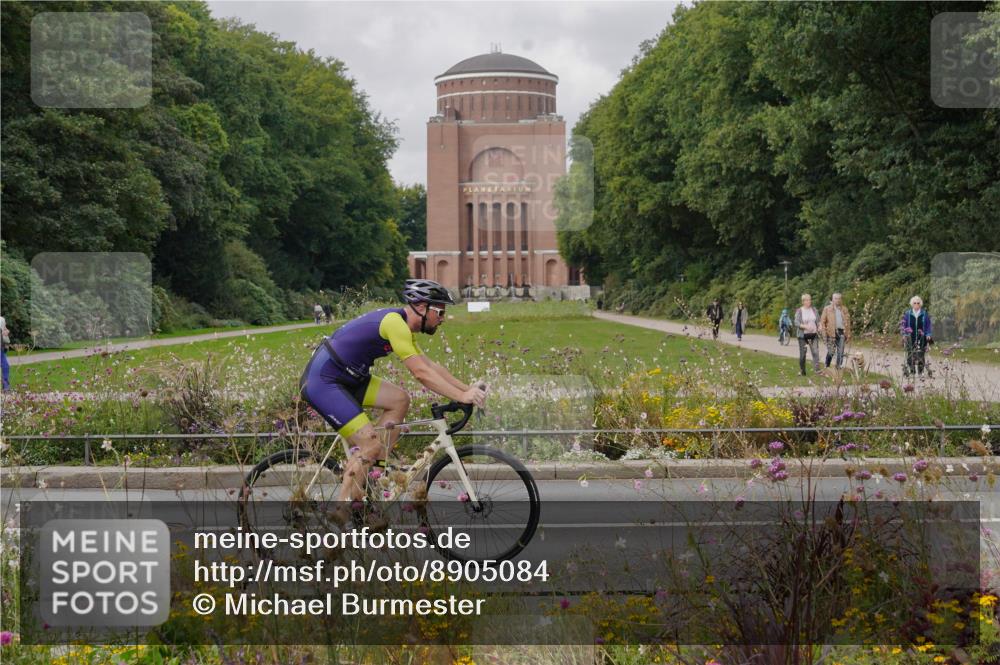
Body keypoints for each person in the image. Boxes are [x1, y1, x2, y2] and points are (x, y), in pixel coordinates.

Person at [299, 279, 486, 506]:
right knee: (369, 444)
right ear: (421, 306)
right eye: (440, 311)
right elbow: (420, 373)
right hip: (324, 381)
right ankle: (341, 517)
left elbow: (430, 366)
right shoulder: (395, 324)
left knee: (399, 399)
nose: (443, 318)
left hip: (349, 377)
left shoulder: (403, 326)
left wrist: (468, 389)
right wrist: (462, 397)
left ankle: (374, 475)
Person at [900, 295, 933, 377]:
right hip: (910, 337)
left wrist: (928, 334)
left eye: (918, 303)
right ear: (912, 304)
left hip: (922, 337)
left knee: (921, 354)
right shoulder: (908, 314)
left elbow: (928, 325)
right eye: (914, 303)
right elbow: (903, 325)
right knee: (910, 354)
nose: (916, 305)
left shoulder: (924, 314)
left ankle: (920, 372)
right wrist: (904, 334)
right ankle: (912, 371)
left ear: (920, 304)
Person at [819, 293, 852, 369]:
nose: (837, 300)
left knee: (841, 352)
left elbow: (848, 322)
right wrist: (824, 333)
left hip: (842, 332)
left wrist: (848, 333)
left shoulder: (844, 309)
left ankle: (838, 368)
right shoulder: (827, 309)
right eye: (836, 298)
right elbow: (822, 322)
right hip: (831, 333)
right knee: (831, 351)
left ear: (841, 300)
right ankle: (826, 366)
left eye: (839, 298)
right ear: (832, 299)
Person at [794, 293, 821, 376]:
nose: (809, 301)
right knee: (803, 355)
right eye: (807, 300)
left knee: (815, 352)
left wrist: (820, 326)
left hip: (813, 335)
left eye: (810, 299)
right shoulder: (800, 311)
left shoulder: (814, 310)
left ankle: (817, 370)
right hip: (803, 336)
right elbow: (796, 322)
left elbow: (818, 321)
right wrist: (805, 327)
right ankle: (802, 371)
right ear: (803, 301)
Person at [1, 314, 10, 392]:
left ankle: (6, 387)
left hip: (1, 347)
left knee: (5, 366)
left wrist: (6, 331)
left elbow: (6, 330)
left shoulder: (2, 319)